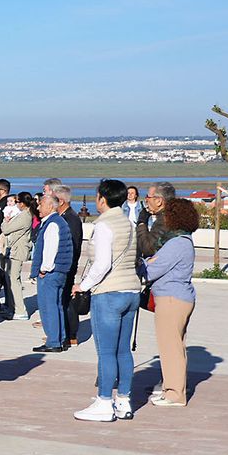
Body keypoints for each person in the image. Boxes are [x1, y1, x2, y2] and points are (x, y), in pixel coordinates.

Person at [71, 179, 144, 422]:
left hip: (109, 293)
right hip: (131, 291)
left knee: (106, 351)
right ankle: (123, 400)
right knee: (123, 350)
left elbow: (101, 263)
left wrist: (83, 285)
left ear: (102, 198)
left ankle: (104, 401)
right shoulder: (128, 223)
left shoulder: (103, 225)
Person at [143, 197, 200, 408]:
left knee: (170, 348)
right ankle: (171, 388)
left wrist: (142, 262)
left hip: (171, 299)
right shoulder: (183, 241)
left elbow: (152, 270)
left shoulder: (176, 243)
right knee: (175, 346)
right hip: (179, 297)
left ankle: (175, 394)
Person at [32, 189, 72, 353]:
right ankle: (60, 339)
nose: (38, 208)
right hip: (60, 271)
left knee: (48, 307)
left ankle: (53, 341)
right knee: (57, 306)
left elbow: (50, 249)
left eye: (41, 204)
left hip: (51, 272)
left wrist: (43, 269)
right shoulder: (58, 222)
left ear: (50, 206)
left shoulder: (52, 224)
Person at [50, 181, 83, 347]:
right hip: (64, 266)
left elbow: (74, 245)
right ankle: (62, 332)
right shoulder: (64, 217)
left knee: (67, 301)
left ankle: (71, 334)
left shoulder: (71, 219)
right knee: (61, 301)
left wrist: (69, 267)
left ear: (61, 201)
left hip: (67, 266)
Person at [0, 192, 36, 320]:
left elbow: (6, 229)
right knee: (11, 278)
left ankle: (20, 309)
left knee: (14, 279)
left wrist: (6, 221)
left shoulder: (24, 216)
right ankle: (12, 306)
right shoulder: (25, 215)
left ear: (21, 203)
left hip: (18, 250)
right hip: (16, 249)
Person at [137, 181, 176, 258]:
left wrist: (141, 223)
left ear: (159, 201)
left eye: (148, 197)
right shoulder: (173, 216)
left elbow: (147, 249)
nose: (146, 200)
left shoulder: (163, 221)